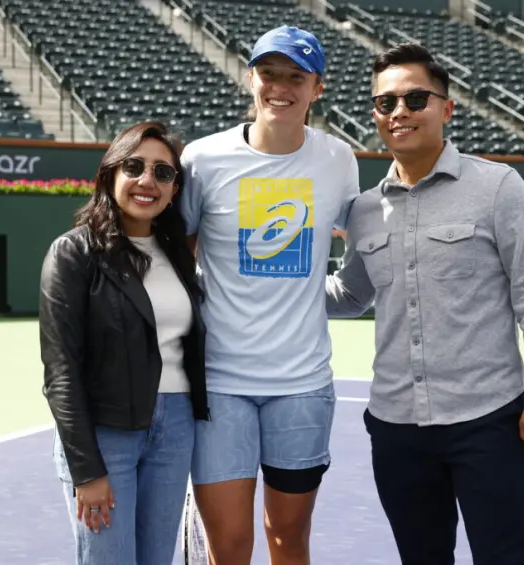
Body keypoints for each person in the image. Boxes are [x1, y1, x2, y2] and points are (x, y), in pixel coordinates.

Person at [325, 43, 524, 564]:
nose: (399, 113)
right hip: (394, 427)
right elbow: (350, 295)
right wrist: (261, 284)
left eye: (415, 99)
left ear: (446, 108)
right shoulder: (364, 210)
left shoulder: (498, 186)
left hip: (488, 420)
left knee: (509, 556)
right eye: (385, 103)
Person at [178, 25, 360, 565]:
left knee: (288, 538)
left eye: (295, 77)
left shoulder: (338, 160)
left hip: (302, 388)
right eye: (269, 73)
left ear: (316, 88)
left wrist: (323, 296)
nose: (280, 87)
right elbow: (179, 261)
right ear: (250, 78)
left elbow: (360, 246)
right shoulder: (202, 159)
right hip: (220, 388)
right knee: (230, 547)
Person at [39, 121, 209, 565]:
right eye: (134, 166)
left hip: (174, 429)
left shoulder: (178, 255)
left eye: (163, 173)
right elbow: (61, 371)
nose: (147, 181)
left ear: (174, 190)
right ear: (110, 174)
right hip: (105, 433)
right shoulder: (73, 253)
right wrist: (87, 469)